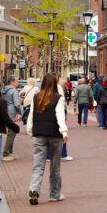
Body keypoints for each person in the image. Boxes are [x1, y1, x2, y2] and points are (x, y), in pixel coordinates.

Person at [26, 73, 68, 205]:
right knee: (55, 165)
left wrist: (30, 130)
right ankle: (54, 194)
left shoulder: (36, 97)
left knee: (38, 166)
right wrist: (64, 131)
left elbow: (31, 115)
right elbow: (60, 116)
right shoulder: (58, 98)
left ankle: (34, 189)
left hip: (39, 134)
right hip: (55, 134)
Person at [2, 76, 22, 162]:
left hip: (5, 111)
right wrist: (20, 112)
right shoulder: (14, 91)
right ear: (12, 82)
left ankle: (10, 151)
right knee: (11, 133)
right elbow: (17, 104)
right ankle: (6, 153)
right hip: (12, 113)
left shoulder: (3, 90)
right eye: (16, 81)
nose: (17, 83)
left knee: (12, 132)